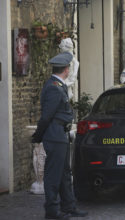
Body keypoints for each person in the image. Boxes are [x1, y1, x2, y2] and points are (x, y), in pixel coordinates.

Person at [32, 52, 88, 219]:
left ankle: (68, 206)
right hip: (55, 135)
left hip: (60, 135)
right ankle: (52, 211)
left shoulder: (58, 85)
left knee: (64, 173)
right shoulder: (53, 88)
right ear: (66, 69)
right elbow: (46, 116)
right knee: (53, 175)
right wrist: (38, 135)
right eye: (69, 67)